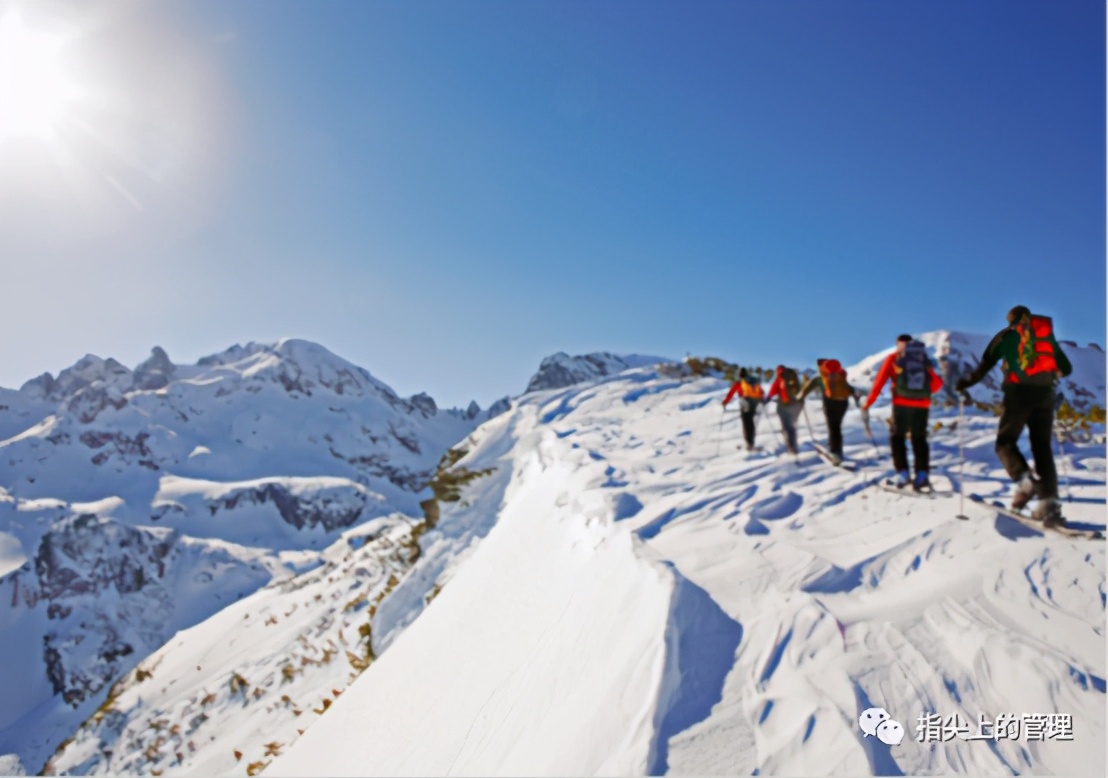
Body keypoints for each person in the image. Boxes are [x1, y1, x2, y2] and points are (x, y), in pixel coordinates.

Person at [956, 306, 1073, 525]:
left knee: (1005, 443)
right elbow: (1066, 368)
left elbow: (984, 366)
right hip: (1045, 396)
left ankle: (1024, 480)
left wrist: (964, 384)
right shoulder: (1045, 337)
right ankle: (1049, 504)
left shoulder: (1006, 336)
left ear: (1011, 320)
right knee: (1042, 448)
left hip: (1018, 394)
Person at [863, 335, 943, 490]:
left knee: (897, 438)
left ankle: (903, 473)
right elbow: (937, 384)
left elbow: (879, 381)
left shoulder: (895, 358)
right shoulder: (922, 358)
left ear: (898, 344)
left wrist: (868, 403)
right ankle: (922, 474)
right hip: (922, 405)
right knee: (919, 438)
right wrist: (923, 393)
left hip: (901, 404)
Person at [798, 358, 862, 464]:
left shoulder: (820, 378)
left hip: (830, 403)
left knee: (833, 427)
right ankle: (838, 449)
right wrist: (855, 397)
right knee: (837, 427)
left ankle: (835, 452)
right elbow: (848, 388)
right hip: (843, 403)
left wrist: (800, 398)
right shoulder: (839, 374)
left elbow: (806, 390)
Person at [722, 369, 765, 450]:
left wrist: (725, 402)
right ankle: (751, 442)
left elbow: (731, 393)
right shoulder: (752, 381)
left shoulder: (739, 383)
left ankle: (749, 444)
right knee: (751, 422)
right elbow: (761, 392)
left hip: (745, 403)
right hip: (755, 402)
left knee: (746, 422)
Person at [766, 364, 804, 455]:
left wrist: (767, 399)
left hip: (784, 406)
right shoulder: (793, 377)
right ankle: (793, 445)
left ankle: (790, 447)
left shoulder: (779, 380)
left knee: (786, 427)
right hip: (796, 405)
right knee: (792, 426)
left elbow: (772, 392)